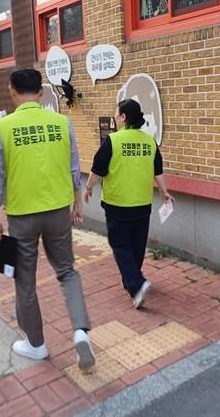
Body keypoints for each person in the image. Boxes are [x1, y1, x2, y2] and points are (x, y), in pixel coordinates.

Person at [0, 69, 95, 370]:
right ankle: (81, 332)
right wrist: (76, 203)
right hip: (58, 210)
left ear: (11, 90)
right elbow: (74, 165)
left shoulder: (1, 128)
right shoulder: (62, 123)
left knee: (25, 280)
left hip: (22, 215)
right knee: (67, 271)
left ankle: (36, 344)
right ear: (41, 92)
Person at [84, 99, 173, 308]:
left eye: (116, 114)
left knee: (120, 245)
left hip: (118, 204)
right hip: (142, 203)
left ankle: (137, 283)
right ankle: (132, 283)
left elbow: (98, 169)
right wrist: (164, 191)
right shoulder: (149, 141)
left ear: (124, 117)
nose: (115, 117)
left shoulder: (113, 140)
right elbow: (157, 170)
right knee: (137, 245)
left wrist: (88, 187)